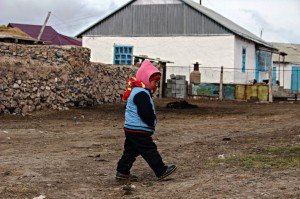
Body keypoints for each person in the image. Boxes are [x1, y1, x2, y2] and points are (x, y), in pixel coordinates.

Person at [116, 60, 176, 181]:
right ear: (146, 80)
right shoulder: (141, 93)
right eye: (155, 82)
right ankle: (161, 170)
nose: (156, 85)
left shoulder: (139, 91)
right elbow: (145, 112)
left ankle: (122, 171)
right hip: (139, 129)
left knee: (130, 151)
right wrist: (151, 121)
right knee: (149, 150)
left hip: (131, 128)